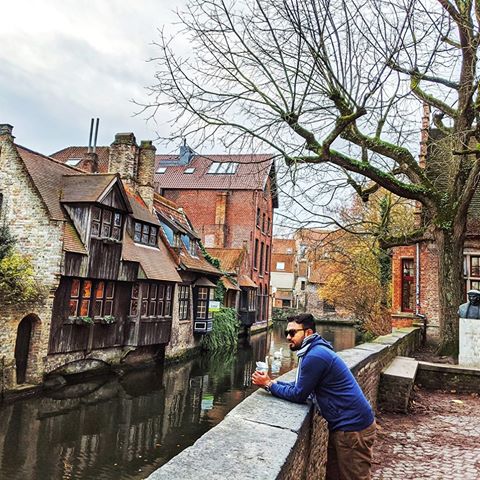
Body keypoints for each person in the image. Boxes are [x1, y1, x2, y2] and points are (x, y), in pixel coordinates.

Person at [252, 313, 376, 480]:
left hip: (353, 429)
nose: (288, 337)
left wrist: (268, 385)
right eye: (286, 333)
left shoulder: (315, 356)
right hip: (344, 427)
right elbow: (299, 385)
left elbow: (298, 394)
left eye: (292, 333)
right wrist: (273, 382)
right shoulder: (314, 350)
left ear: (308, 333)